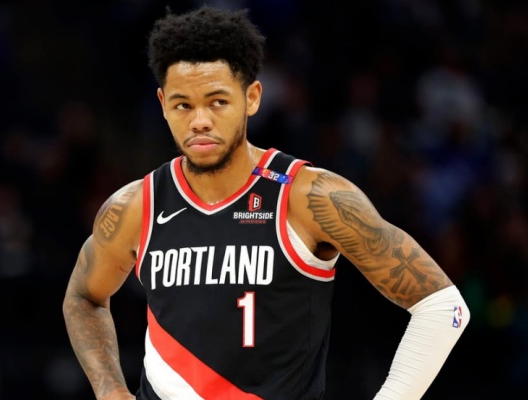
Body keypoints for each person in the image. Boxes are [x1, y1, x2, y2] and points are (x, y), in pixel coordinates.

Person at [62, 5, 470, 400]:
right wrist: (109, 388)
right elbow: (83, 298)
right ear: (162, 104)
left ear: (252, 97)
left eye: (217, 101)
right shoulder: (136, 205)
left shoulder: (308, 196)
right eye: (182, 104)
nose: (199, 120)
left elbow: (443, 306)